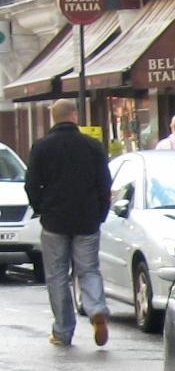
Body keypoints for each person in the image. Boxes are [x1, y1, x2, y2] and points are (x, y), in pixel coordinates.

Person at [25, 99, 113, 347]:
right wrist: (100, 214)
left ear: (54, 118)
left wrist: (41, 208)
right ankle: (96, 309)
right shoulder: (93, 146)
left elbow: (31, 184)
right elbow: (104, 185)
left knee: (57, 276)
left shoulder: (41, 147)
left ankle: (63, 331)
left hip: (54, 220)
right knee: (89, 269)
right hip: (87, 219)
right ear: (74, 115)